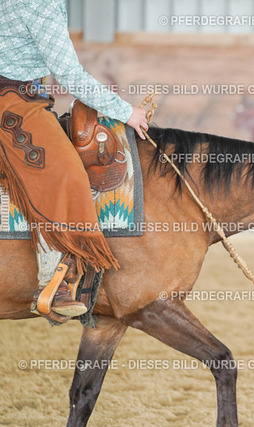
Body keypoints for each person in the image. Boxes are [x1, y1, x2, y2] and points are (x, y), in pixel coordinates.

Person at [0, 0, 148, 320]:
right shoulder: (40, 4)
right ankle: (52, 285)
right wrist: (125, 111)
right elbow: (70, 74)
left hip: (24, 93)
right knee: (65, 172)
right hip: (12, 100)